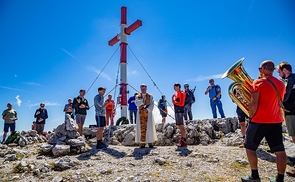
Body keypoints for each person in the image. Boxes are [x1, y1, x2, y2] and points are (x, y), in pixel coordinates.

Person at [241, 60, 287, 182]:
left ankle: (254, 176)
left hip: (259, 120)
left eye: (259, 68)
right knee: (279, 149)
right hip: (276, 120)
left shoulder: (258, 82)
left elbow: (254, 103)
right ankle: (280, 179)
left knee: (249, 146)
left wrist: (250, 116)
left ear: (263, 69)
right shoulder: (281, 84)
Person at [276, 62, 295, 177]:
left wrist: (281, 103)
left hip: (292, 112)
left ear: (284, 70)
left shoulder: (289, 80)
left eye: (279, 71)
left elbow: (285, 96)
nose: (279, 73)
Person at [135, 84, 157, 148]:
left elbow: (152, 104)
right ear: (140, 89)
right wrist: (143, 100)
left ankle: (150, 141)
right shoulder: (137, 96)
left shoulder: (150, 96)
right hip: (140, 113)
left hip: (148, 113)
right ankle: (142, 142)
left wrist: (147, 109)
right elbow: (137, 103)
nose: (143, 89)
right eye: (142, 88)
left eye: (144, 88)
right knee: (141, 127)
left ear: (146, 88)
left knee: (149, 127)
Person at [172, 83, 187, 147]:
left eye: (175, 87)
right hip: (177, 111)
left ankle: (184, 140)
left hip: (180, 111)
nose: (174, 88)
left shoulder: (182, 93)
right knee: (179, 125)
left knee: (181, 125)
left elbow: (182, 103)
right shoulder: (176, 94)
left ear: (178, 87)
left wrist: (174, 101)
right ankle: (182, 139)